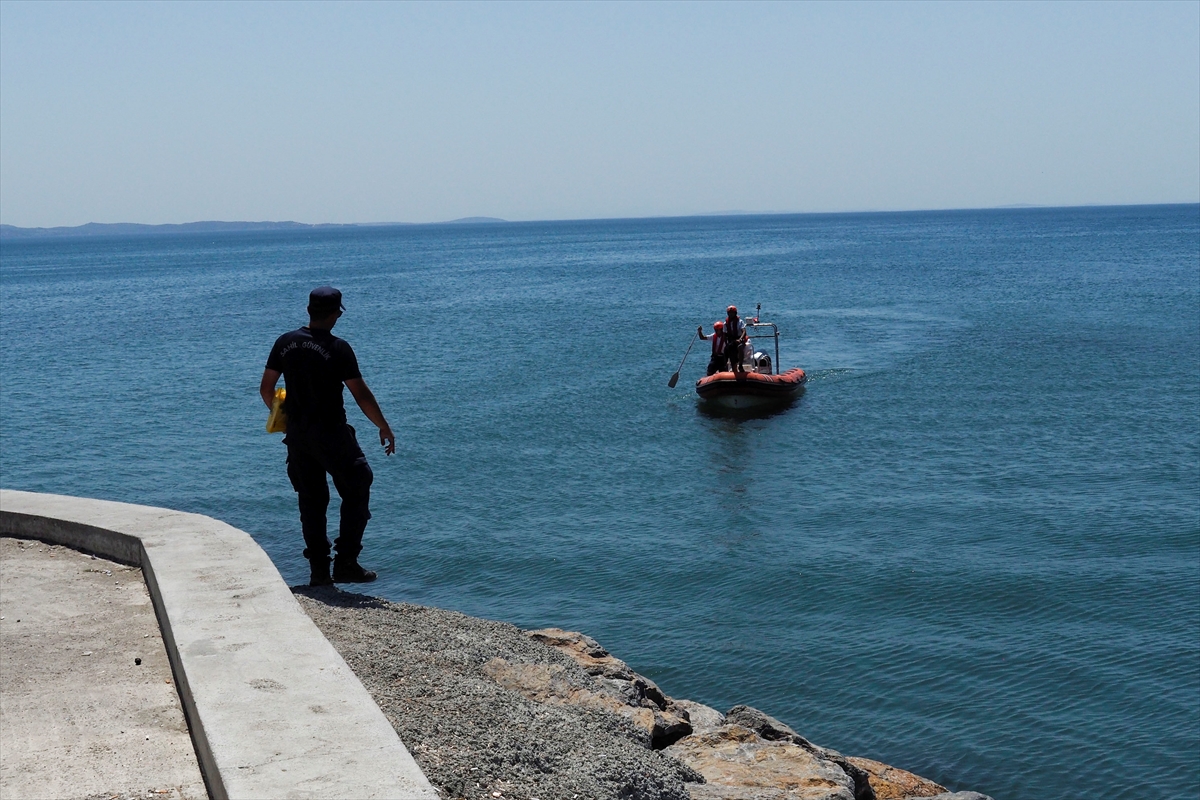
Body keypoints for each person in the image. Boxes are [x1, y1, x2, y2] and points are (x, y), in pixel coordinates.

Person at [260, 286, 396, 587]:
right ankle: (346, 562)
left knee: (311, 500)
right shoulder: (338, 348)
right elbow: (360, 393)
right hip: (331, 432)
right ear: (336, 314)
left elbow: (266, 388)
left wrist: (284, 417)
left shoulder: (285, 343)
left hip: (297, 435)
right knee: (359, 483)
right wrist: (383, 426)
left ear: (309, 310)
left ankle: (319, 572)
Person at [722, 305, 749, 372]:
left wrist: (740, 339)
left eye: (732, 313)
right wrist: (726, 344)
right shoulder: (726, 323)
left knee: (739, 347)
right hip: (731, 341)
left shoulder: (740, 322)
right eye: (730, 313)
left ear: (735, 313)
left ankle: (740, 365)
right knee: (727, 350)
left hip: (740, 339)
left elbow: (744, 331)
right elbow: (725, 334)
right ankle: (726, 366)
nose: (731, 314)